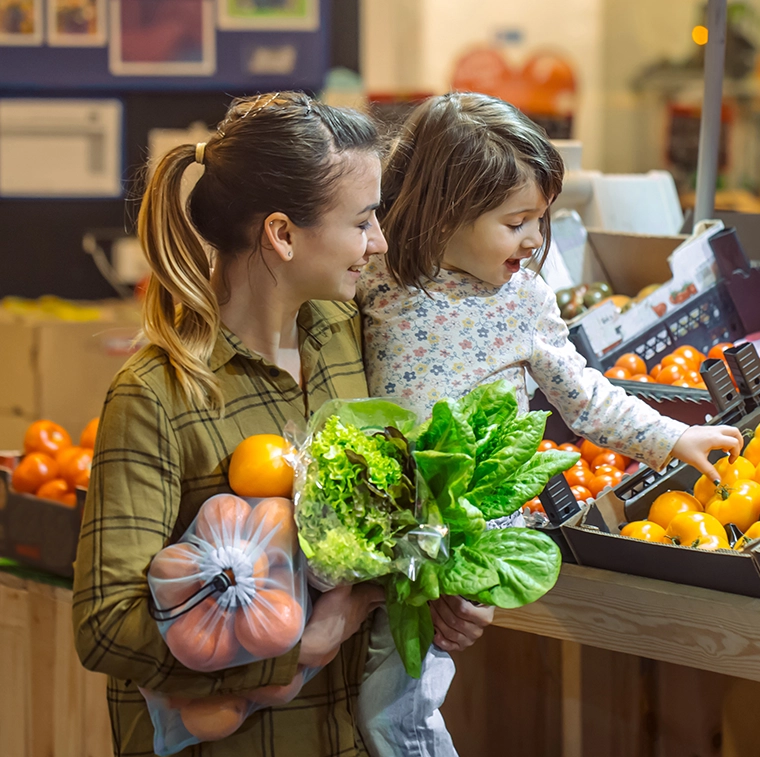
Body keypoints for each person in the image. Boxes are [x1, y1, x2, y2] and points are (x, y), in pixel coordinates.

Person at [70, 91, 491, 757]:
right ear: (283, 234)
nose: (378, 242)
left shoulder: (347, 334)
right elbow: (105, 625)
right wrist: (296, 645)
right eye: (362, 222)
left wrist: (433, 588)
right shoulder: (159, 392)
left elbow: (367, 529)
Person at [355, 91, 745, 757]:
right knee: (367, 687)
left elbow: (585, 397)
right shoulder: (376, 275)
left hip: (466, 525)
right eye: (518, 222)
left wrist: (671, 437)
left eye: (542, 218)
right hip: (384, 517)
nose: (537, 239)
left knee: (394, 705)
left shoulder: (523, 300)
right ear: (446, 212)